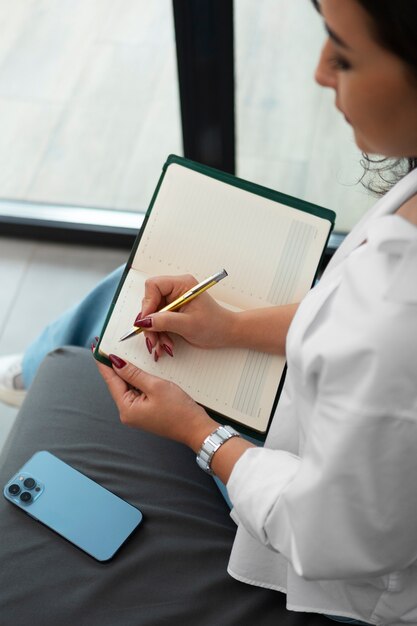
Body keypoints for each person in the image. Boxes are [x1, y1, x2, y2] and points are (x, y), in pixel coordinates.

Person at [1, 0, 417, 623]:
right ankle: (34, 368)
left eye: (345, 53)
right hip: (326, 439)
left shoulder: (396, 311)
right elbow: (348, 321)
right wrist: (233, 327)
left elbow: (325, 535)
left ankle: (35, 369)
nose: (320, 72)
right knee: (130, 286)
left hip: (331, 559)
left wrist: (199, 432)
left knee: (104, 326)